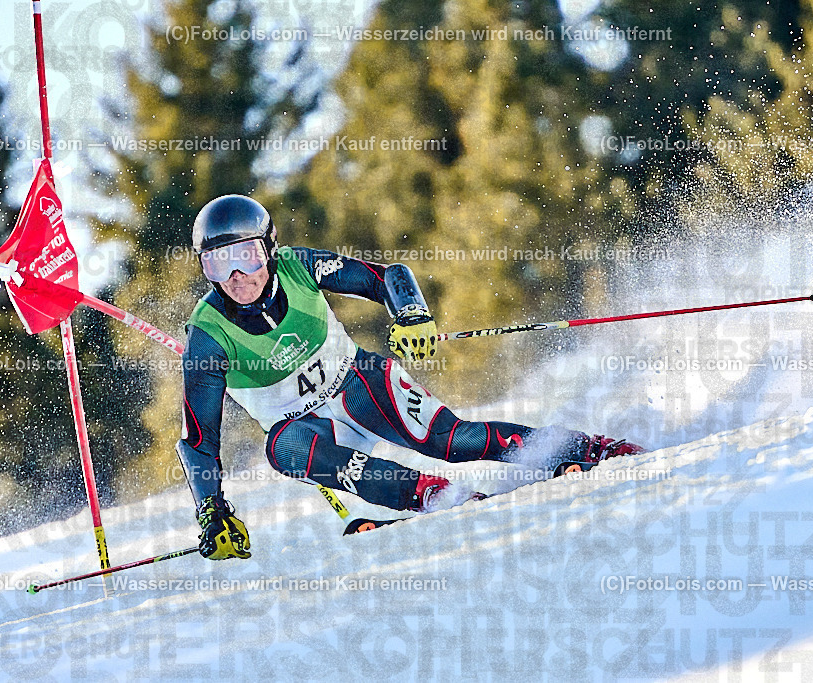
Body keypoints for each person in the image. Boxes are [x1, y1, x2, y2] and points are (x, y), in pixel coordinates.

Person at [176, 195, 643, 560]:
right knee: (283, 448)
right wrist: (212, 511)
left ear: (269, 251)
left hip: (360, 383)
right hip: (308, 428)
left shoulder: (301, 266)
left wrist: (411, 314)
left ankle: (584, 447)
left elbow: (386, 276)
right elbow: (198, 440)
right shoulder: (208, 335)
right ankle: (426, 493)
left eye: (248, 257)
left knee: (453, 441)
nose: (237, 276)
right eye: (218, 263)